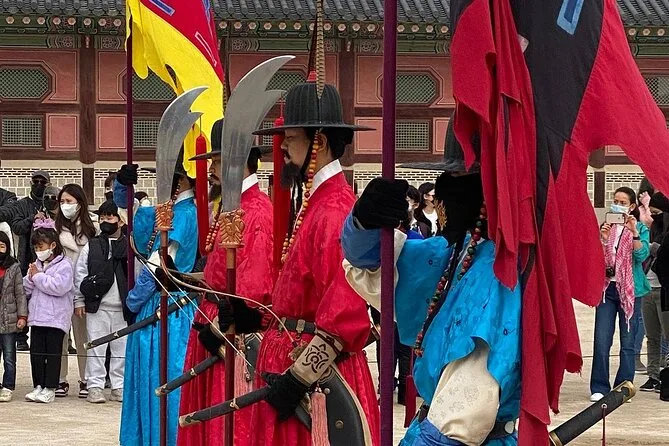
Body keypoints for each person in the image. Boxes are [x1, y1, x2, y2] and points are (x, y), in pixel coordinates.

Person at [202, 79, 380, 445]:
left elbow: (344, 311)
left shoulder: (334, 211)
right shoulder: (314, 203)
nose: (282, 147)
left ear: (320, 142)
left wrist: (299, 378)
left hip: (316, 378)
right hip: (289, 358)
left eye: (292, 138)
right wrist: (255, 317)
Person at [341, 122, 521, 445]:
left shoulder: (499, 272)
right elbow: (372, 268)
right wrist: (365, 222)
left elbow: (464, 414)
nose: (442, 193)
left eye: (456, 176)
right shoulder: (454, 254)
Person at [178, 122, 275, 445]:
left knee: (228, 425)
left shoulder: (256, 211)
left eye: (217, 162)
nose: (211, 171)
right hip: (212, 322)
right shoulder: (232, 205)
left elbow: (254, 286)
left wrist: (220, 327)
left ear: (238, 161)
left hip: (231, 334)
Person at [117, 153, 199, 446]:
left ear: (180, 180)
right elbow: (132, 215)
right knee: (147, 380)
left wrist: (133, 301)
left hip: (170, 308)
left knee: (162, 379)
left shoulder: (186, 214)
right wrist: (123, 186)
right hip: (158, 306)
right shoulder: (170, 210)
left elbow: (158, 266)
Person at [590, 187, 650, 402]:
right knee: (602, 339)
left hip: (630, 291)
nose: (617, 205)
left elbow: (641, 255)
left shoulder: (640, 228)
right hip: (608, 289)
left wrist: (634, 232)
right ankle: (599, 386)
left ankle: (624, 387)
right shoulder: (608, 227)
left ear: (632, 206)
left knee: (628, 341)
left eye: (623, 203)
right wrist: (604, 239)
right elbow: (597, 258)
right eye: (615, 201)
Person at [74, 200, 132, 404]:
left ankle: (118, 386)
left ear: (120, 220)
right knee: (96, 348)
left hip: (123, 308)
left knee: (120, 350)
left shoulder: (130, 245)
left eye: (110, 217)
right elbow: (80, 273)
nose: (106, 221)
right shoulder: (92, 245)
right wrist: (79, 300)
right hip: (97, 306)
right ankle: (95, 386)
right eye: (102, 217)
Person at [23, 216, 74, 404]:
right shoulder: (36, 265)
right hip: (37, 317)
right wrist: (30, 278)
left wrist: (37, 277)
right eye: (36, 248)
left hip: (55, 318)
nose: (39, 251)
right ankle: (38, 385)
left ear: (52, 245)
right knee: (36, 354)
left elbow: (59, 287)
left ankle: (51, 387)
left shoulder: (65, 264)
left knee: (52, 355)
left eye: (41, 246)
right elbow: (27, 288)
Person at [54, 184, 97, 399]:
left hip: (83, 290)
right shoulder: (54, 228)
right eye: (62, 202)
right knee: (59, 337)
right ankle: (60, 379)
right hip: (59, 291)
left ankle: (86, 378)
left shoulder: (93, 228)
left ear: (79, 203)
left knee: (83, 338)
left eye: (69, 201)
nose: (65, 206)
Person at [4, 170, 51, 351]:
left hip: (49, 259)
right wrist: (33, 218)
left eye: (42, 182)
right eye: (35, 181)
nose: (39, 185)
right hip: (26, 258)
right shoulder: (22, 204)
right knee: (22, 297)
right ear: (31, 183)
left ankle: (58, 336)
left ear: (48, 184)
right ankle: (21, 337)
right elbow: (17, 227)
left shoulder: (51, 202)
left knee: (49, 295)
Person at [0, 231, 27, 402]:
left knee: (9, 357)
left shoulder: (14, 267)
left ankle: (8, 386)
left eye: (2, 246)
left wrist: (22, 316)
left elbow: (20, 293)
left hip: (9, 319)